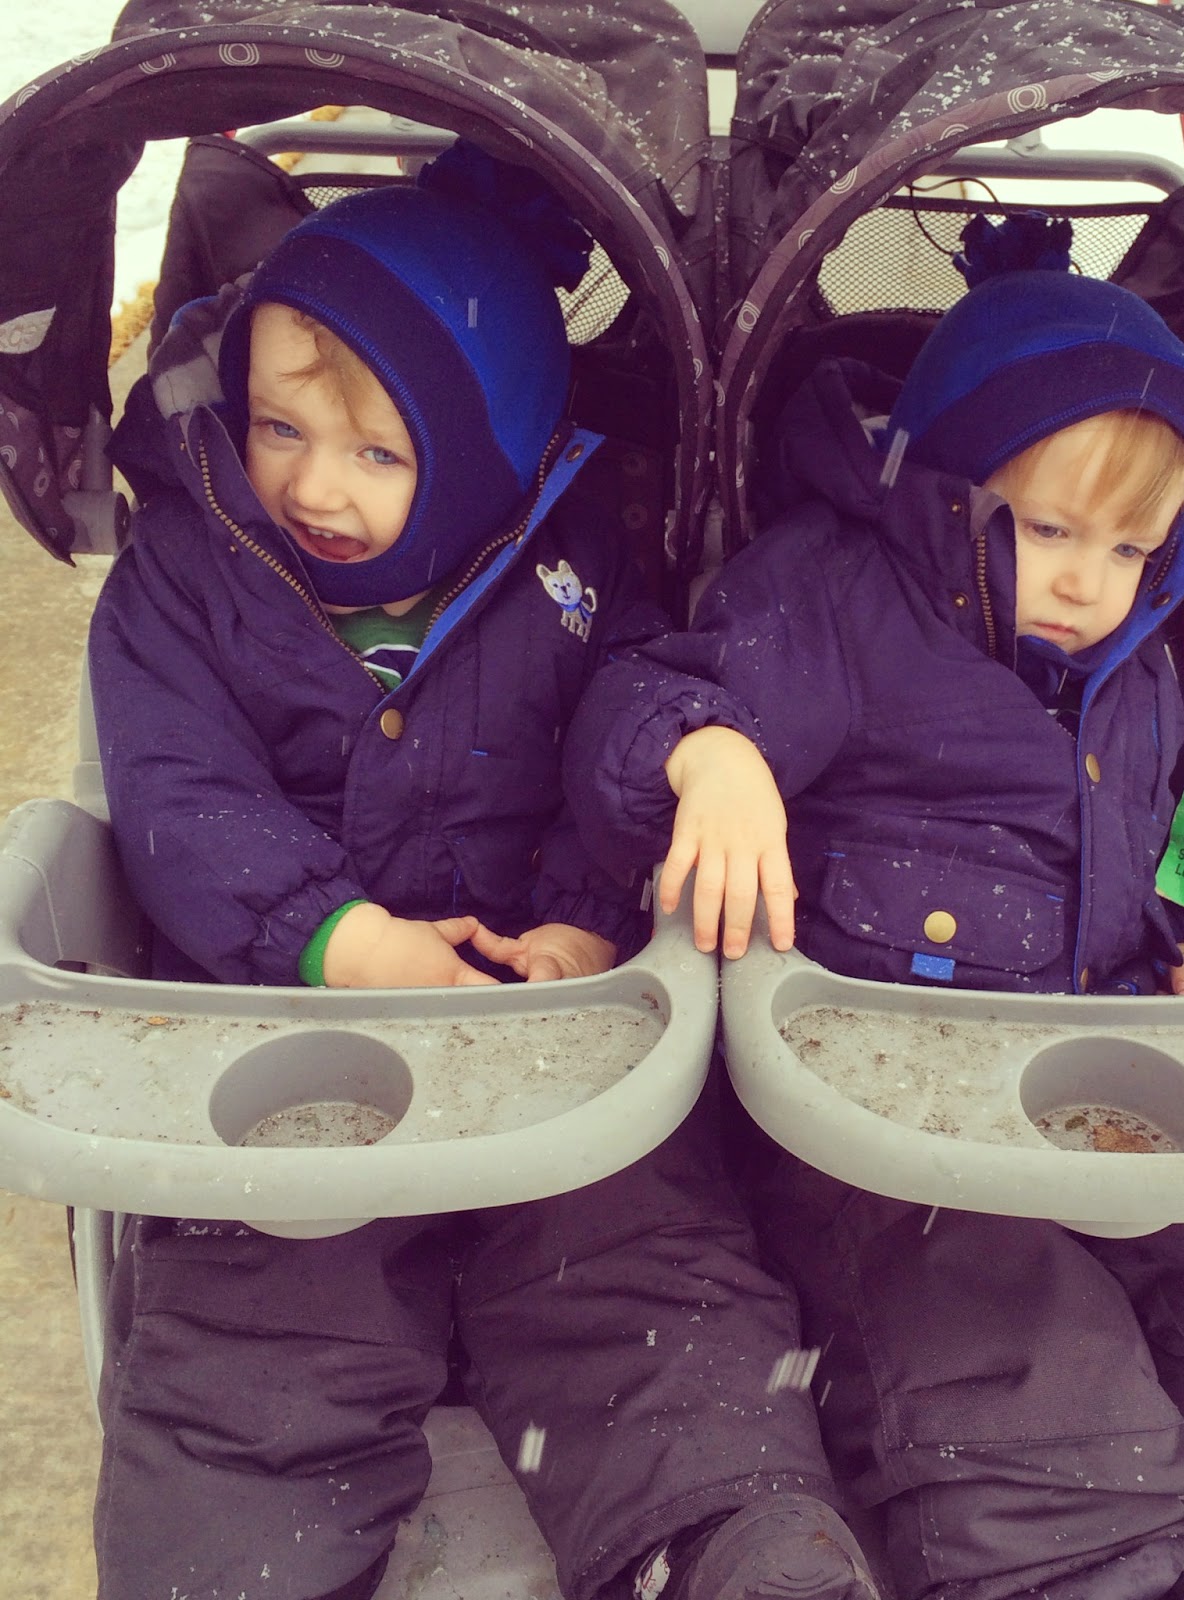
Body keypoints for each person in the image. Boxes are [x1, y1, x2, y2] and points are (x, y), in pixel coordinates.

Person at [563, 224, 1184, 1600]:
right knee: (1007, 1342)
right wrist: (712, 754)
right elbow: (637, 708)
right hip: (890, 1117)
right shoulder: (836, 599)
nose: (1087, 581)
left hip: (1108, 1063)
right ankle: (1086, 1566)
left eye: (1130, 546)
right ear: (948, 485)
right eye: (1048, 529)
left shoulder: (1137, 656)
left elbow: (1169, 825)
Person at [86, 144, 879, 1600]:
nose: (312, 484)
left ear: (485, 462)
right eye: (279, 426)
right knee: (259, 1344)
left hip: (544, 1038)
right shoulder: (188, 581)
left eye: (379, 454)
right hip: (295, 1054)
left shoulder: (569, 573)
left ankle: (729, 1545)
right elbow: (179, 797)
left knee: (650, 1285)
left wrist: (583, 920)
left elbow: (614, 734)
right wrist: (335, 937)